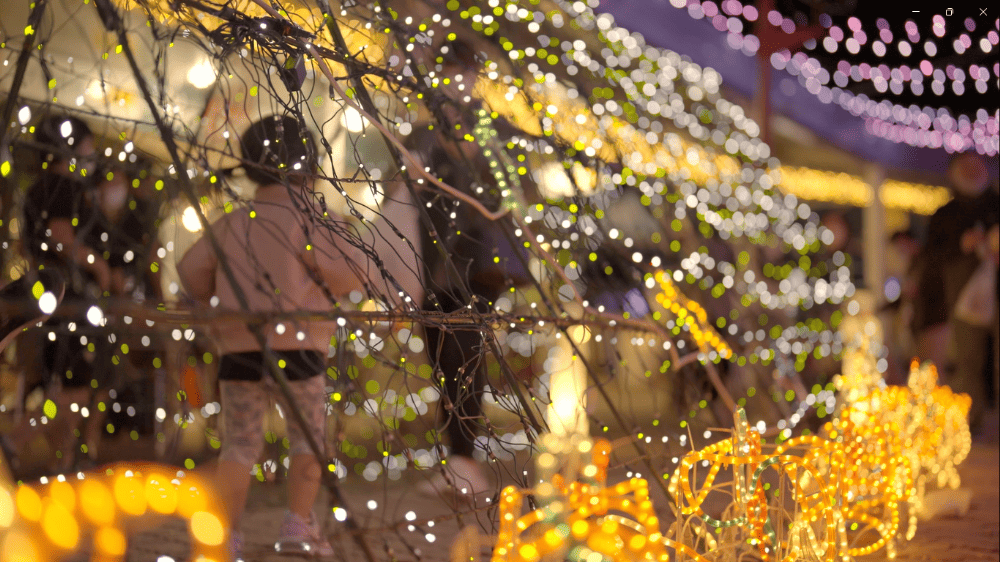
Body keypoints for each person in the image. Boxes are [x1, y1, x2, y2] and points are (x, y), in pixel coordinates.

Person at [177, 114, 366, 559]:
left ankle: (227, 534)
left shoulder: (234, 221)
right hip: (300, 345)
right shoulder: (312, 219)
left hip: (239, 347)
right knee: (308, 437)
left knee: (240, 442)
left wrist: (213, 293)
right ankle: (298, 523)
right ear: (310, 164)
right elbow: (349, 272)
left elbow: (190, 270)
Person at [913, 153, 999, 429]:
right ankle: (970, 420)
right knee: (968, 359)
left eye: (977, 166)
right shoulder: (945, 215)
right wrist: (962, 245)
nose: (973, 171)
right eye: (966, 167)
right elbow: (932, 257)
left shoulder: (996, 205)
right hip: (963, 300)